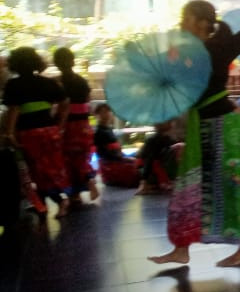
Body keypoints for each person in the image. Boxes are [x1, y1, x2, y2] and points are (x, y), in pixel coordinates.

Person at [149, 0, 240, 268]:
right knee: (188, 185)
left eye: (186, 17)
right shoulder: (185, 52)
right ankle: (181, 249)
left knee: (235, 182)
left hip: (224, 124)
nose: (182, 22)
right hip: (201, 124)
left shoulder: (218, 45)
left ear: (202, 23)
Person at [1, 47, 70, 216]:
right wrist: (60, 125)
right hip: (50, 130)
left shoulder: (14, 85)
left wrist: (9, 133)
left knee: (35, 170)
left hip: (29, 133)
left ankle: (56, 201)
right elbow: (65, 103)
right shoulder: (48, 82)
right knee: (51, 168)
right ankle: (49, 201)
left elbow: (14, 110)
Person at [53, 46, 99, 205]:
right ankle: (86, 182)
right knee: (81, 157)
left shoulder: (56, 82)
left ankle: (76, 192)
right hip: (83, 125)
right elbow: (87, 100)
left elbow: (56, 105)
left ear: (56, 63)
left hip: (66, 125)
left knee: (67, 159)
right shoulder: (81, 80)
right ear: (73, 61)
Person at [93, 103, 141, 188]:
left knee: (141, 155)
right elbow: (103, 153)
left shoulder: (108, 129)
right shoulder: (98, 132)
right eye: (102, 112)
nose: (106, 114)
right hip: (111, 164)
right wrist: (122, 158)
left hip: (117, 158)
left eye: (108, 111)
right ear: (96, 115)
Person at [136, 121, 178, 193]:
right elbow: (149, 160)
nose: (172, 122)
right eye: (169, 120)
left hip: (156, 171)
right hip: (147, 172)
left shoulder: (168, 139)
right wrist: (144, 182)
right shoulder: (153, 140)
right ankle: (150, 184)